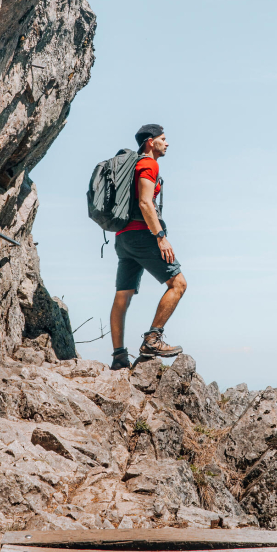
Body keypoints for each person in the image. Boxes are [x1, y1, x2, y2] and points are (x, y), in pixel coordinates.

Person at [110, 124, 187, 370]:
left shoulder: (132, 165)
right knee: (178, 284)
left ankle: (119, 357)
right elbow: (145, 203)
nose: (167, 143)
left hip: (123, 237)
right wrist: (160, 236)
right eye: (163, 139)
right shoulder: (148, 164)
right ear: (151, 141)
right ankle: (152, 340)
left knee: (123, 295)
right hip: (142, 235)